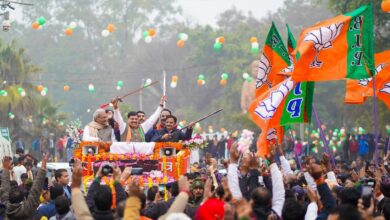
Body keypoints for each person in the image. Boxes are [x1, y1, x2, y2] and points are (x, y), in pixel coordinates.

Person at [1, 153, 48, 220]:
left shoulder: (6, 207)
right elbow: (35, 190)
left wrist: (5, 169)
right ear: (23, 199)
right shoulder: (28, 208)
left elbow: (4, 189)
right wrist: (43, 169)